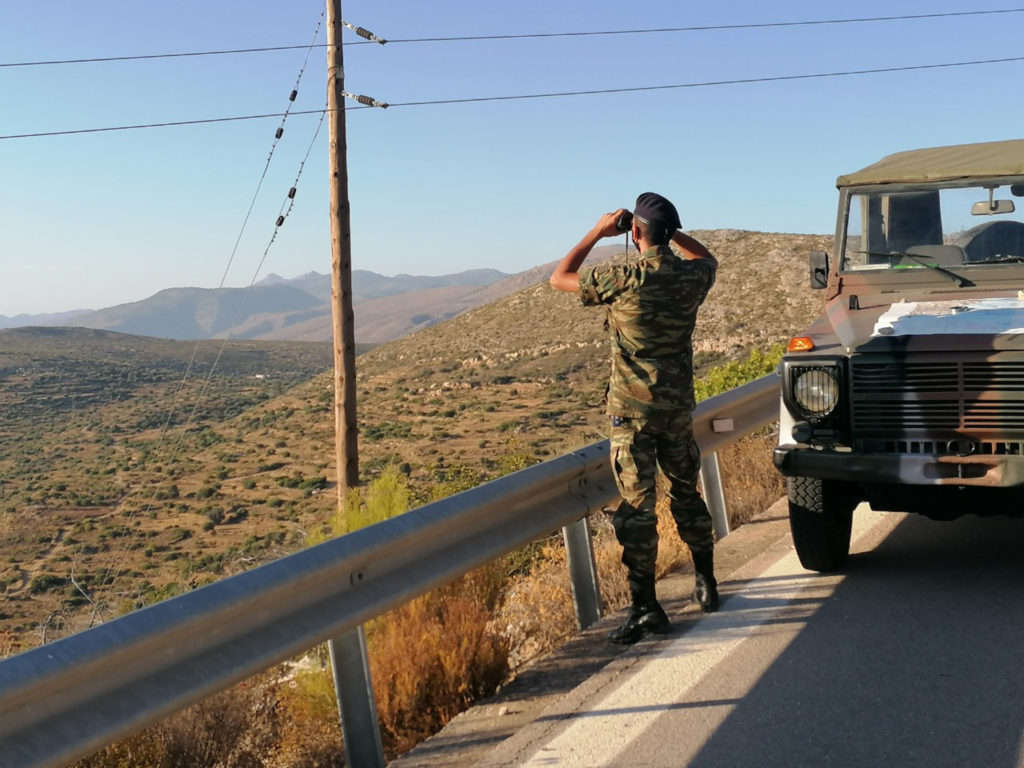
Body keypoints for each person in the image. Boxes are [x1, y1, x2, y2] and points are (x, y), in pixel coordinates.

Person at [549, 192, 719, 645]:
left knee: (639, 509)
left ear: (635, 233)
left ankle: (647, 607)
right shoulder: (692, 276)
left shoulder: (622, 277)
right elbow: (707, 256)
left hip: (632, 414)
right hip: (677, 408)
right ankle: (707, 583)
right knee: (687, 492)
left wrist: (599, 232)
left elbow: (559, 278)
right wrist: (665, 230)